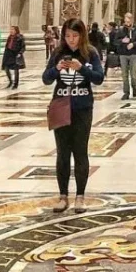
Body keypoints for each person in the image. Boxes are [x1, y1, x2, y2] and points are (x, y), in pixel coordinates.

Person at [42, 18, 103, 214]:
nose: (71, 40)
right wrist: (57, 68)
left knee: (80, 151)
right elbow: (46, 79)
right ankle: (62, 196)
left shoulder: (90, 53)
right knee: (62, 153)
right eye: (68, 36)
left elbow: (99, 78)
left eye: (75, 36)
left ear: (82, 35)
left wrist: (81, 68)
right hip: (60, 104)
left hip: (82, 106)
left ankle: (80, 196)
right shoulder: (58, 52)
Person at [115, 11, 136, 100]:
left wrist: (133, 44)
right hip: (123, 54)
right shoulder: (120, 30)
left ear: (132, 20)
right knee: (124, 74)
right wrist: (122, 41)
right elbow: (115, 41)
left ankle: (134, 87)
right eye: (126, 21)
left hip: (133, 54)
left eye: (129, 21)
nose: (127, 23)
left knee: (133, 74)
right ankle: (126, 92)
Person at [2, 25, 25, 90]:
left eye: (13, 29)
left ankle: (15, 84)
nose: (11, 31)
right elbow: (7, 45)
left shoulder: (20, 37)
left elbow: (23, 47)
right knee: (6, 68)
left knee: (16, 69)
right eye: (10, 29)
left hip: (15, 54)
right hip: (8, 54)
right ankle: (10, 81)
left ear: (16, 30)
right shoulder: (9, 37)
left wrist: (20, 53)